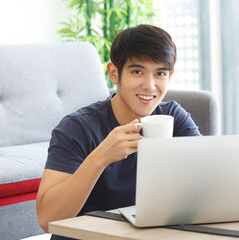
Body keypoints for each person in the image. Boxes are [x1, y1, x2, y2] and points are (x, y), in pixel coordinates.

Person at [36, 24, 201, 239]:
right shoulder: (76, 128)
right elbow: (47, 220)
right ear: (114, 73)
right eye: (137, 71)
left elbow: (204, 183)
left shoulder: (173, 118)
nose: (150, 85)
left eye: (160, 73)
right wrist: (101, 157)